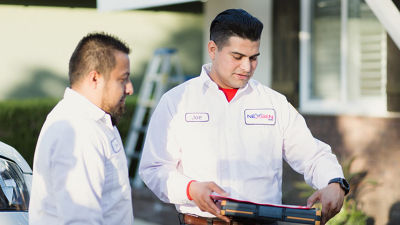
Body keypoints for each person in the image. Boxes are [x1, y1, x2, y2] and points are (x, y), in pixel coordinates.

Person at [139, 8, 349, 225]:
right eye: (237, 57)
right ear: (213, 49)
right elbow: (154, 168)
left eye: (253, 58)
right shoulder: (176, 101)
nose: (247, 67)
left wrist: (334, 183)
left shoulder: (274, 103)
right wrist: (190, 189)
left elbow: (312, 155)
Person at [29, 32, 134, 225]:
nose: (129, 89)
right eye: (123, 79)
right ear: (95, 78)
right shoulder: (78, 130)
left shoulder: (97, 121)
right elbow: (80, 219)